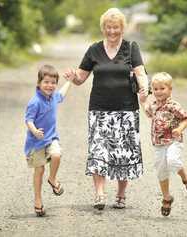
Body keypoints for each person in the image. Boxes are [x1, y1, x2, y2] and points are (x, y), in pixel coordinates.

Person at [63, 8, 148, 210]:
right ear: (103, 28)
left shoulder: (130, 48)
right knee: (99, 151)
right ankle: (100, 194)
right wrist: (72, 76)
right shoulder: (94, 50)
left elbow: (140, 72)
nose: (112, 31)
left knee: (123, 153)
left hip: (126, 110)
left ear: (122, 28)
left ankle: (120, 195)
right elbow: (80, 78)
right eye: (108, 27)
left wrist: (145, 86)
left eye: (116, 27)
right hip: (99, 110)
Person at [142, 72, 187, 217]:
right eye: (155, 89)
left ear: (170, 89)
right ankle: (166, 197)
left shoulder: (173, 105)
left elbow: (185, 119)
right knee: (161, 170)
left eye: (162, 88)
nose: (158, 92)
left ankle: (186, 178)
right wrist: (143, 100)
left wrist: (179, 129)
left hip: (173, 141)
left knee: (172, 161)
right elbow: (147, 112)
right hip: (158, 143)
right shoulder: (153, 105)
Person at [24, 64, 71, 217]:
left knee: (57, 155)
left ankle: (52, 179)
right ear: (39, 83)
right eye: (46, 82)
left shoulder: (52, 97)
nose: (50, 85)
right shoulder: (34, 102)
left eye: (53, 83)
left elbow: (62, 95)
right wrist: (35, 131)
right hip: (36, 142)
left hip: (51, 138)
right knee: (39, 170)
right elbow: (28, 120)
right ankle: (38, 200)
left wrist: (69, 81)